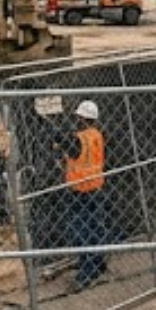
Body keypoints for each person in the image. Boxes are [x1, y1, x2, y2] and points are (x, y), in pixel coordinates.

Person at [63, 100, 108, 288]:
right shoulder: (97, 135)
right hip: (96, 187)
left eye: (78, 117)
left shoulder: (78, 139)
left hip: (80, 191)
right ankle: (97, 264)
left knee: (81, 231)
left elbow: (68, 147)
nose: (76, 120)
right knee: (95, 228)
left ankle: (86, 273)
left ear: (82, 118)